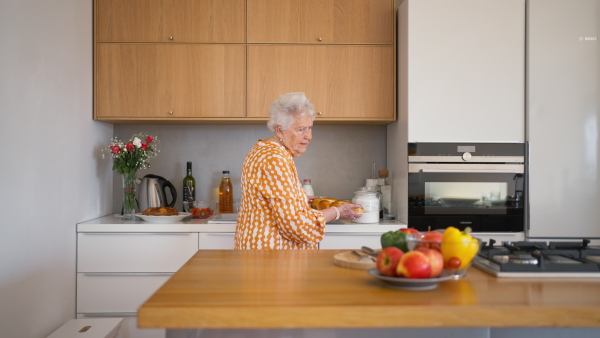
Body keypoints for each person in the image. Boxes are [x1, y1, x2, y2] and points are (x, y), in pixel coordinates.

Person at [234, 92, 363, 250]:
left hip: (258, 250)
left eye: (309, 128)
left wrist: (298, 199)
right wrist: (336, 211)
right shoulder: (276, 158)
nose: (308, 136)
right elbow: (296, 225)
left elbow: (269, 199)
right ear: (280, 130)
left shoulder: (262, 150)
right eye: (301, 129)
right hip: (272, 257)